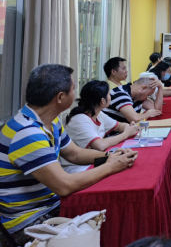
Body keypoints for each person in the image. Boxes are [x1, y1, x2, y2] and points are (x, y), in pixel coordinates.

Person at [0, 65, 138, 244]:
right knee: (111, 219)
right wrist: (111, 166)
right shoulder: (27, 133)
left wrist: (109, 156)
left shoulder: (50, 121)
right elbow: (64, 185)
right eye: (73, 89)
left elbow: (75, 153)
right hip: (29, 221)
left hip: (50, 205)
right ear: (60, 97)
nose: (76, 93)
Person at [61, 81, 140, 173]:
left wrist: (128, 127)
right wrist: (126, 134)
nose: (111, 96)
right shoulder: (80, 119)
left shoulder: (98, 114)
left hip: (93, 160)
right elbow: (100, 145)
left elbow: (118, 126)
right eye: (109, 94)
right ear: (102, 101)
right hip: (76, 167)